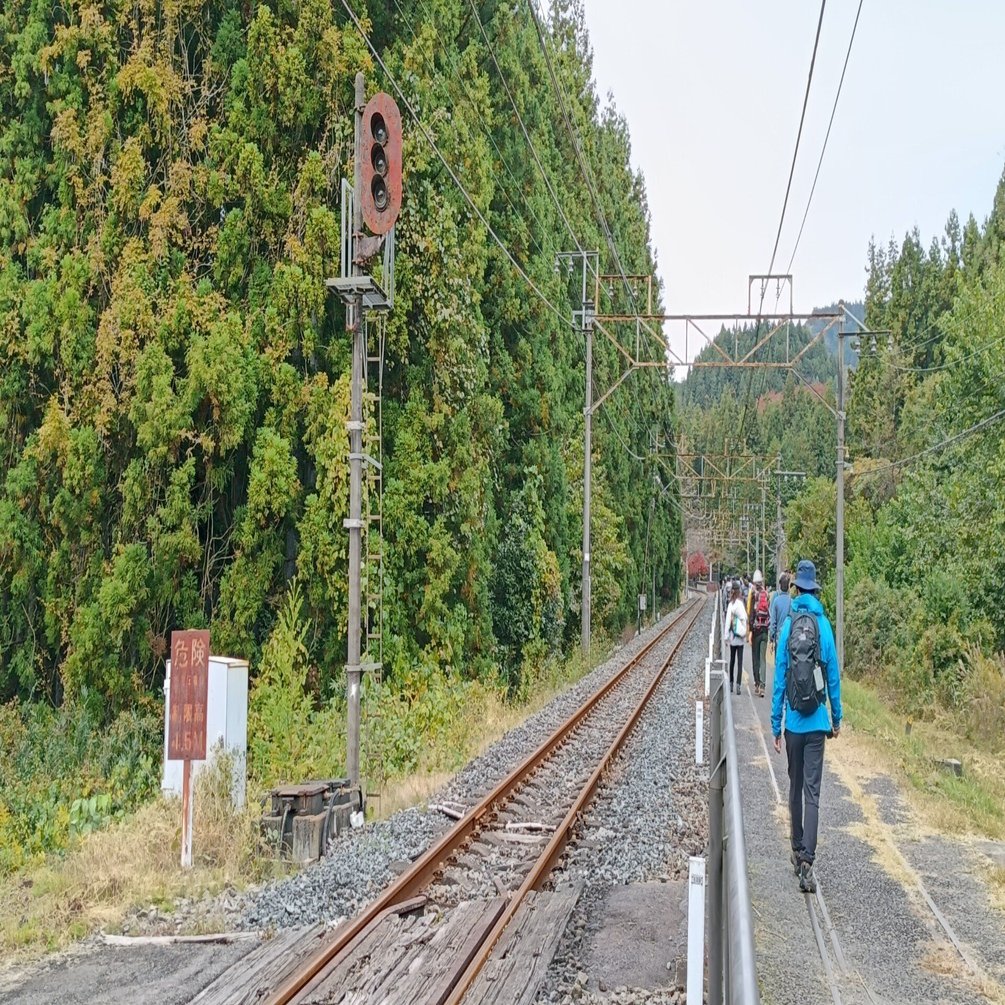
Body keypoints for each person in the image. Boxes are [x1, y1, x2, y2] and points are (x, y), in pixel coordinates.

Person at [771, 559, 842, 894]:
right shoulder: (824, 627)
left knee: (795, 787)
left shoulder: (788, 627)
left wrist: (776, 725)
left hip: (794, 726)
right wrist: (836, 717)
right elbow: (833, 677)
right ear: (816, 590)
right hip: (816, 724)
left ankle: (797, 848)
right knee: (813, 791)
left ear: (797, 589)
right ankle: (807, 863)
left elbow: (779, 679)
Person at [746, 570, 770, 697]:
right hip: (765, 630)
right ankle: (763, 686)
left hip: (756, 631)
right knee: (763, 659)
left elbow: (750, 615)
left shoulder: (753, 594)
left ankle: (756, 684)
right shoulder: (766, 594)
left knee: (755, 658)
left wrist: (750, 631)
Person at [725, 584, 747, 694]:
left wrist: (725, 637)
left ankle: (731, 684)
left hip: (733, 637)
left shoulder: (731, 605)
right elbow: (745, 618)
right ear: (739, 592)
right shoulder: (741, 604)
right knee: (740, 662)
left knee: (732, 660)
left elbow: (727, 622)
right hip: (741, 637)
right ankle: (738, 686)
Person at [769, 572, 792, 652]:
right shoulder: (791, 601)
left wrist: (771, 638)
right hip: (789, 637)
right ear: (788, 586)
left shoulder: (776, 601)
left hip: (779, 638)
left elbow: (773, 622)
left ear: (780, 585)